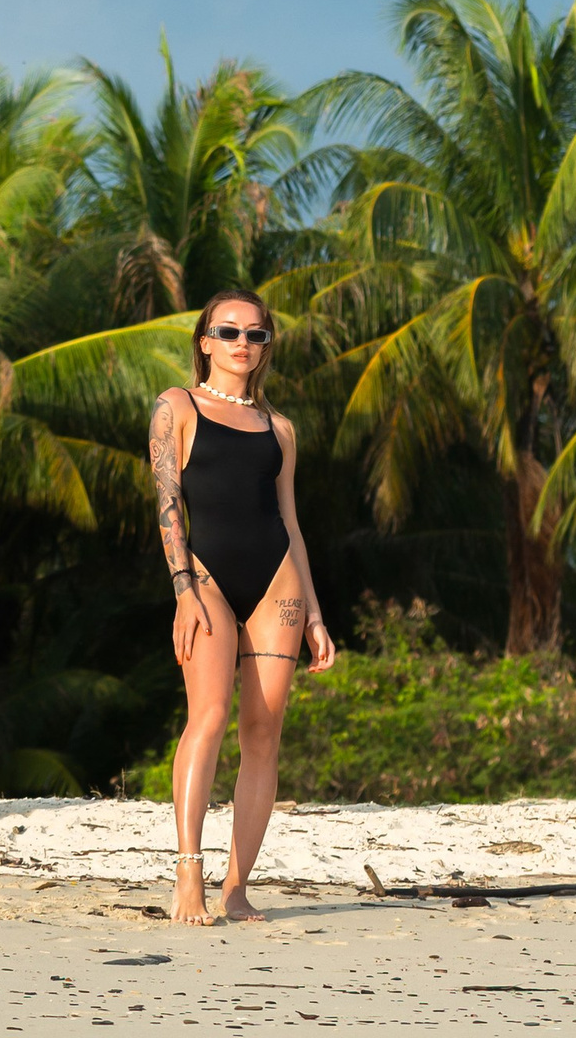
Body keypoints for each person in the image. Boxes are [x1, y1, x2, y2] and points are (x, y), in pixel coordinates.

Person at [148, 289, 334, 925]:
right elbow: (168, 502)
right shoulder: (177, 407)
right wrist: (181, 589)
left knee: (264, 730)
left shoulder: (279, 428)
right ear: (204, 341)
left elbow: (290, 520)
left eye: (256, 335)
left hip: (277, 581)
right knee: (209, 715)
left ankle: (237, 886)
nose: (242, 345)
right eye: (229, 333)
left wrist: (313, 613)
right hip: (204, 577)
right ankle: (188, 876)